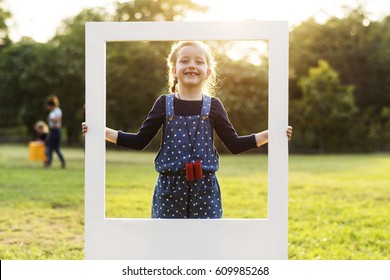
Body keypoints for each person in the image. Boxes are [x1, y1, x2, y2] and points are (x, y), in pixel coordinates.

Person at [82, 41, 292, 219]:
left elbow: (234, 144)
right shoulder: (163, 104)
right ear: (173, 70)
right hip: (169, 190)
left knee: (205, 247)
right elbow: (140, 141)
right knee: (168, 247)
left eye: (199, 61)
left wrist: (269, 135)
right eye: (184, 61)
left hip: (206, 190)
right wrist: (102, 132)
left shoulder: (215, 106)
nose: (191, 65)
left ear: (208, 72)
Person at [46, 95, 66, 168]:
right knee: (50, 147)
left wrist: (51, 119)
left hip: (56, 130)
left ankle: (62, 162)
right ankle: (49, 163)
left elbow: (58, 120)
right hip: (52, 130)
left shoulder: (58, 111)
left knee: (56, 148)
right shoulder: (53, 112)